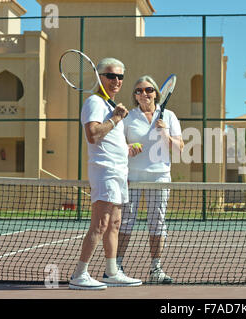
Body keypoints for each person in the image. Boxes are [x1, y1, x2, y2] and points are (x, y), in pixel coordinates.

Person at [69, 58, 142, 290]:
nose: (117, 81)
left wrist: (127, 150)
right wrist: (116, 119)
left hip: (119, 172)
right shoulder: (94, 102)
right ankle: (79, 274)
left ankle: (111, 272)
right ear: (99, 77)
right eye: (111, 76)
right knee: (100, 223)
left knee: (115, 224)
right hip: (105, 171)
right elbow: (92, 134)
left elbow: (109, 140)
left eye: (120, 76)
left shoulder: (111, 106)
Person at [118, 75, 184, 284]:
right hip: (132, 177)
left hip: (160, 176)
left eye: (148, 90)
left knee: (157, 223)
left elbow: (179, 147)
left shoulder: (169, 116)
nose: (143, 94)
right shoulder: (128, 118)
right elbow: (118, 148)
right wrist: (128, 150)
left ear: (156, 93)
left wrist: (165, 134)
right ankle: (116, 266)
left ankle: (156, 270)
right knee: (126, 223)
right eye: (138, 91)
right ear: (134, 95)